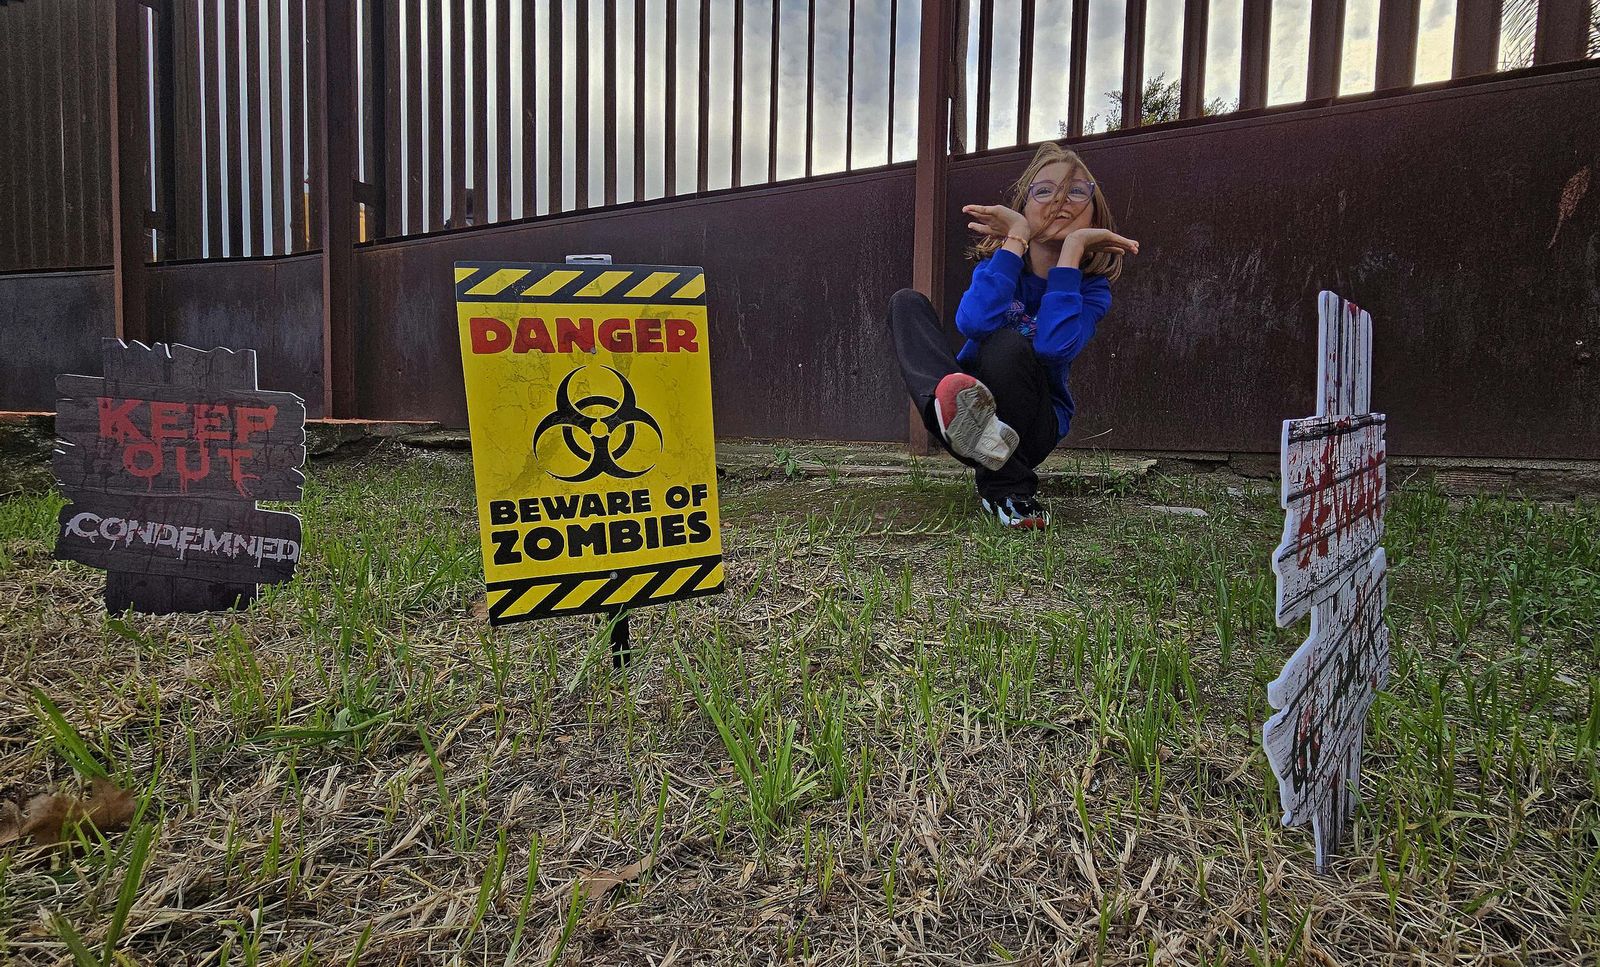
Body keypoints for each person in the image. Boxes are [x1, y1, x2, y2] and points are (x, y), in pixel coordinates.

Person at [887, 143, 1138, 528]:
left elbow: (1054, 348)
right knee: (907, 303)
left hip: (1034, 427)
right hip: (969, 408)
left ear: (1093, 210)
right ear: (1022, 208)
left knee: (1010, 344)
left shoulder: (1092, 289)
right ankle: (952, 416)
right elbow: (972, 323)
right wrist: (1015, 241)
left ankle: (1009, 488)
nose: (1060, 201)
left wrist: (1071, 252)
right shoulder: (1000, 266)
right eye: (1044, 191)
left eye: (1076, 191)